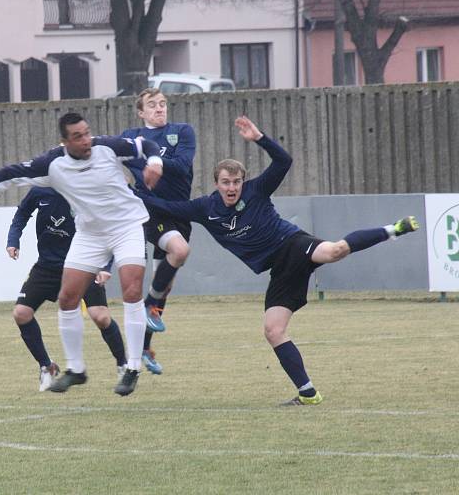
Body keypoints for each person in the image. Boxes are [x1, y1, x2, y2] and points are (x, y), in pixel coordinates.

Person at [137, 116, 419, 405]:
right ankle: (308, 393)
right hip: (280, 271)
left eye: (236, 181)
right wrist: (132, 193)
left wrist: (260, 138)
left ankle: (393, 230)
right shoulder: (205, 208)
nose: (231, 187)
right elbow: (167, 206)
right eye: (225, 182)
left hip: (293, 245)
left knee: (335, 251)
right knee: (273, 330)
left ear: (243, 182)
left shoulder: (256, 190)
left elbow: (284, 161)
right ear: (216, 183)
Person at [0, 112, 163, 396]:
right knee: (67, 298)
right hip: (90, 234)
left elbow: (146, 145)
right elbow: (11, 173)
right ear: (65, 141)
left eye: (87, 132)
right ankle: (76, 369)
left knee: (131, 289)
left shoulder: (107, 147)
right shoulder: (52, 164)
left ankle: (133, 367)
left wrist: (154, 163)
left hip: (125, 226)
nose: (86, 140)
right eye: (78, 136)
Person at [7, 186, 127, 391]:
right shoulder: (40, 190)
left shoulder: (86, 191)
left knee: (100, 316)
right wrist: (13, 240)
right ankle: (47, 366)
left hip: (83, 265)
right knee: (21, 313)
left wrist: (105, 266)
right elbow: (22, 213)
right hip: (47, 267)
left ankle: (124, 366)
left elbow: (109, 229)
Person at [121, 87, 196, 375]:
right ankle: (149, 306)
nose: (160, 109)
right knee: (180, 251)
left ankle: (144, 348)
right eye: (153, 105)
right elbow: (121, 162)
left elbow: (183, 166)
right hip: (150, 210)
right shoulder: (132, 135)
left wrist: (154, 163)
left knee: (165, 282)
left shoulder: (183, 131)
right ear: (141, 112)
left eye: (163, 104)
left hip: (179, 211)